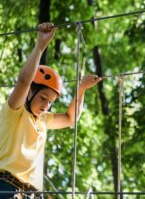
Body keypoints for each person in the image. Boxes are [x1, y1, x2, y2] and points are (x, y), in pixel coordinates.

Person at [0, 23, 102, 199]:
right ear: (30, 92)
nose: (46, 105)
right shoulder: (14, 111)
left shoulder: (43, 120)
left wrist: (82, 89)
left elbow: (71, 118)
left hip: (24, 193)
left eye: (51, 102)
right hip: (4, 187)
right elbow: (24, 80)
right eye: (43, 98)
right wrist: (40, 46)